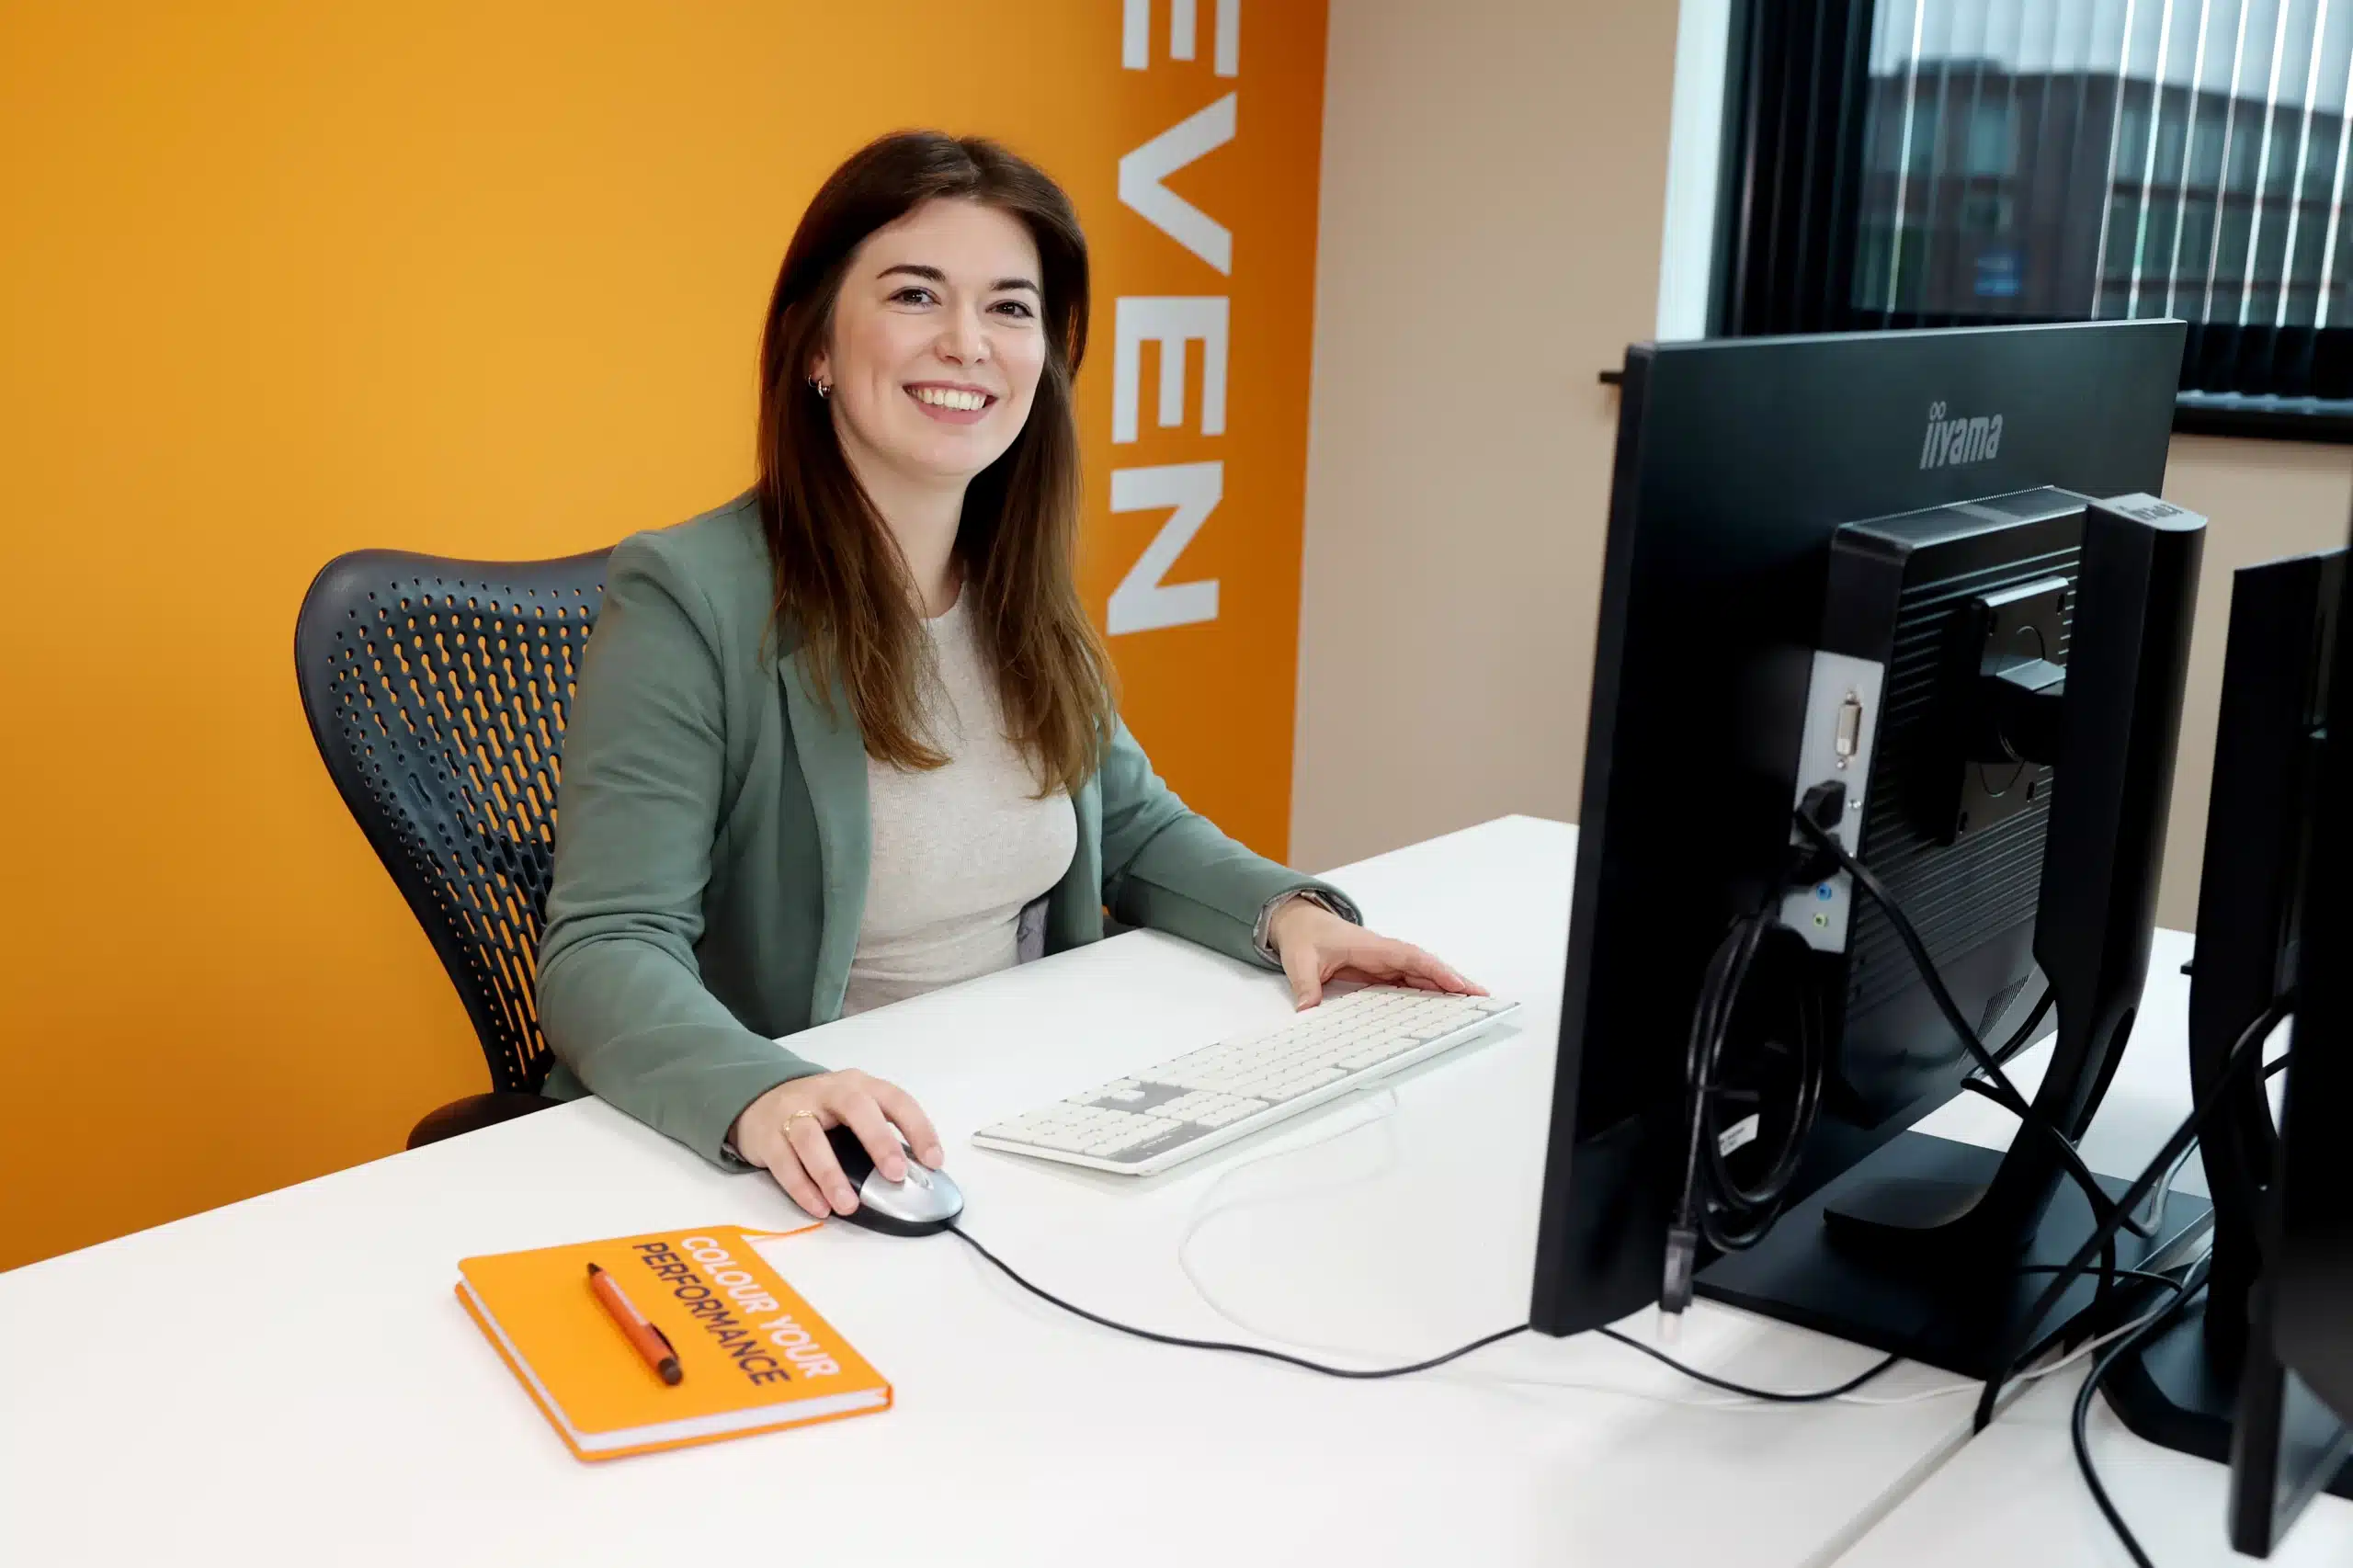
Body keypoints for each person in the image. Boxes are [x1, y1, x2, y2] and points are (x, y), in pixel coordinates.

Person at [538, 131, 1480, 1223]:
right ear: (816, 348)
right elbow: (606, 947)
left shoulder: (1013, 578)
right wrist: (769, 1088)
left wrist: (1292, 913)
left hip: (1014, 1110)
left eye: (1010, 307)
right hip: (813, 1158)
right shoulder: (688, 595)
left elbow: (1128, 823)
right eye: (913, 295)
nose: (965, 343)